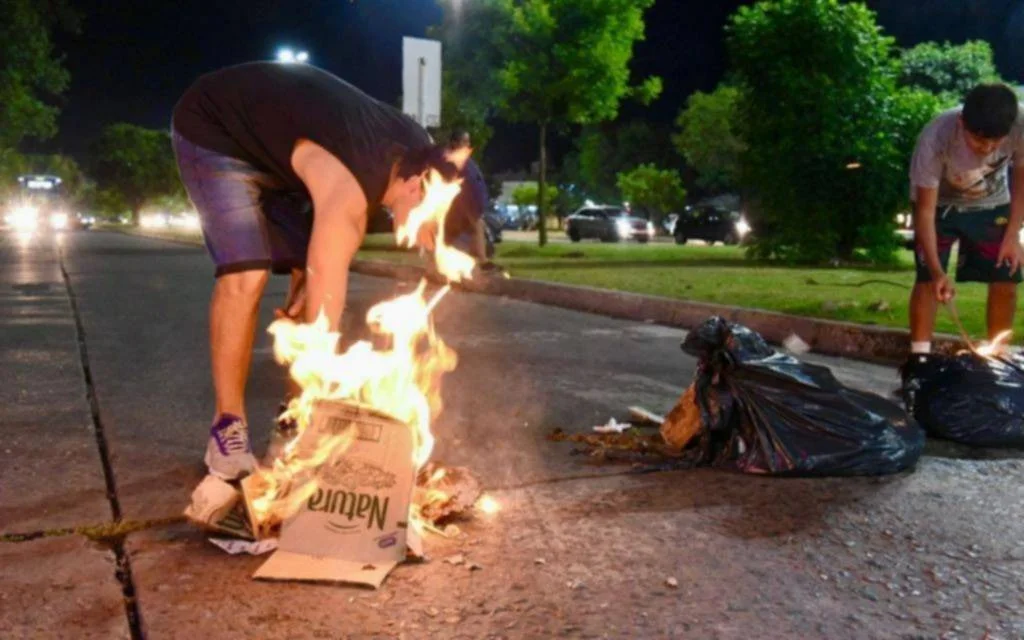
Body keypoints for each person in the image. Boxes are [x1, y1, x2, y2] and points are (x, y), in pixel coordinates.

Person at [172, 61, 456, 480]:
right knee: (247, 275)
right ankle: (227, 429)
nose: (428, 240)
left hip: (287, 155)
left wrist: (311, 287)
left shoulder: (420, 152)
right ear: (417, 187)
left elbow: (317, 271)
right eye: (434, 224)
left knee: (309, 279)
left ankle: (294, 418)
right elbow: (328, 280)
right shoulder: (352, 191)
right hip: (218, 127)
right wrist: (326, 386)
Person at [908, 83, 1024, 354]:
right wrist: (937, 272)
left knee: (1006, 275)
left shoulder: (1019, 124)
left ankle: (998, 358)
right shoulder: (936, 137)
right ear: (962, 122)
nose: (988, 148)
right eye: (979, 140)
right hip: (940, 206)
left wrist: (1013, 235)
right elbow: (924, 211)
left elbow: (1021, 179)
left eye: (996, 142)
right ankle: (920, 358)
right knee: (927, 280)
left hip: (992, 202)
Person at [442, 130, 494, 263]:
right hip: (460, 206)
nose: (467, 144)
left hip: (471, 206)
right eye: (464, 141)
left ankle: (477, 260)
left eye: (468, 141)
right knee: (476, 226)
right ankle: (482, 260)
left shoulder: (466, 161)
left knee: (476, 227)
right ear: (454, 142)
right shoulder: (451, 160)